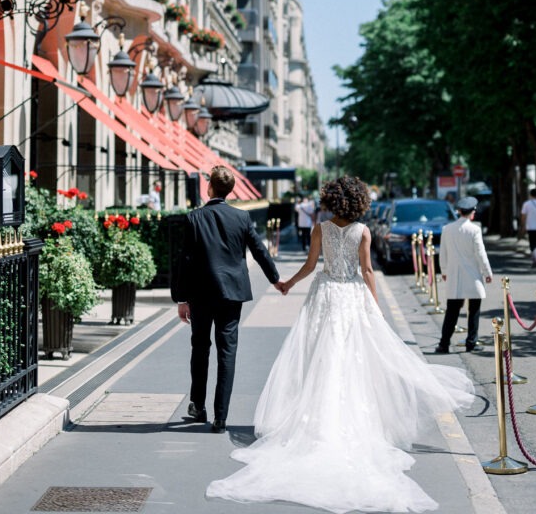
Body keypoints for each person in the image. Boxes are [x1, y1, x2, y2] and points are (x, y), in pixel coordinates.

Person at [207, 176, 475, 512]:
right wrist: (375, 306)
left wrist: (288, 283)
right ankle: (354, 420)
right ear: (359, 201)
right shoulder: (363, 231)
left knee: (321, 357)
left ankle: (319, 421)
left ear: (332, 200)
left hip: (325, 295)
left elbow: (310, 266)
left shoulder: (320, 229)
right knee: (353, 359)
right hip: (352, 296)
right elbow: (367, 270)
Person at [171, 165, 284, 433]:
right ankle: (221, 417)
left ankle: (198, 405)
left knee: (200, 348)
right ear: (230, 190)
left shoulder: (194, 218)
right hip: (232, 293)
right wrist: (275, 279)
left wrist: (181, 299)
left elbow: (184, 261)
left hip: (200, 293)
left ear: (209, 187)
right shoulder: (242, 217)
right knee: (227, 351)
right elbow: (259, 251)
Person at [435, 196, 493, 354]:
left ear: (459, 211)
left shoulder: (447, 229)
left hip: (455, 276)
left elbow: (443, 254)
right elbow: (480, 253)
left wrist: (444, 271)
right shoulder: (474, 230)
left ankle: (444, 343)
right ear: (472, 212)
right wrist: (487, 272)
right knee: (474, 311)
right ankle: (471, 342)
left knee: (451, 312)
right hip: (473, 276)